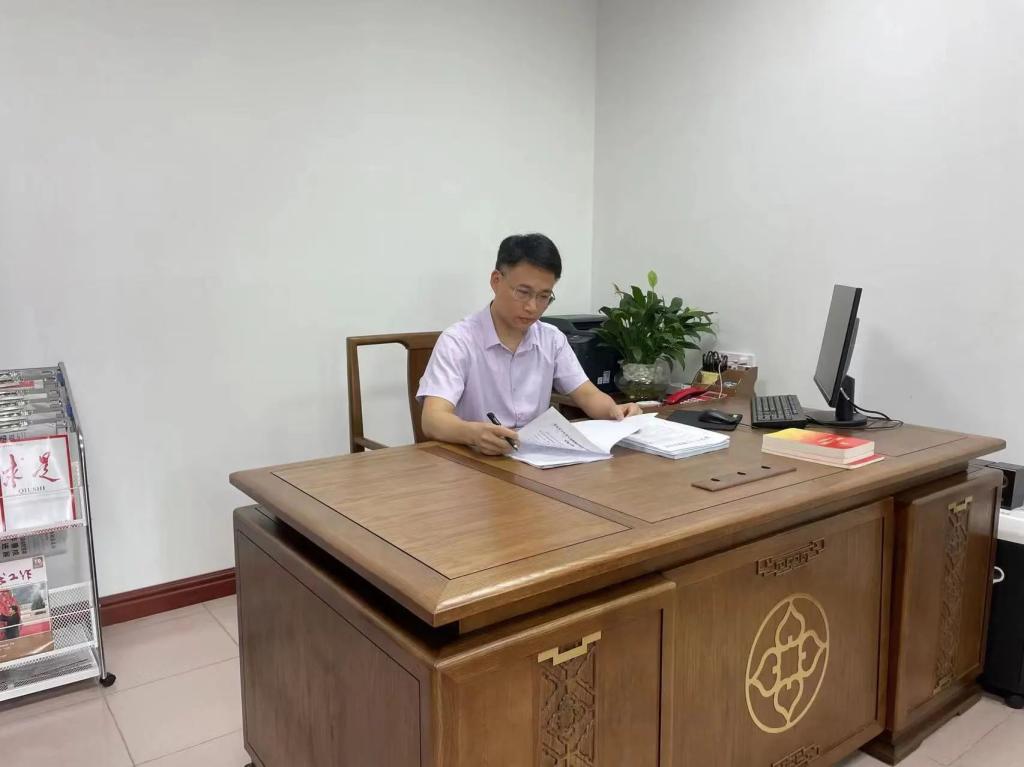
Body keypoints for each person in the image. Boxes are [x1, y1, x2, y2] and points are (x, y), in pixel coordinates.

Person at [418, 233, 641, 455]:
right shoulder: (458, 341)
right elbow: (432, 419)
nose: (532, 307)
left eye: (544, 296)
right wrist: (473, 434)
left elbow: (587, 395)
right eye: (523, 292)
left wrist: (616, 411)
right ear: (496, 281)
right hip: (475, 460)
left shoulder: (552, 339)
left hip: (535, 459)